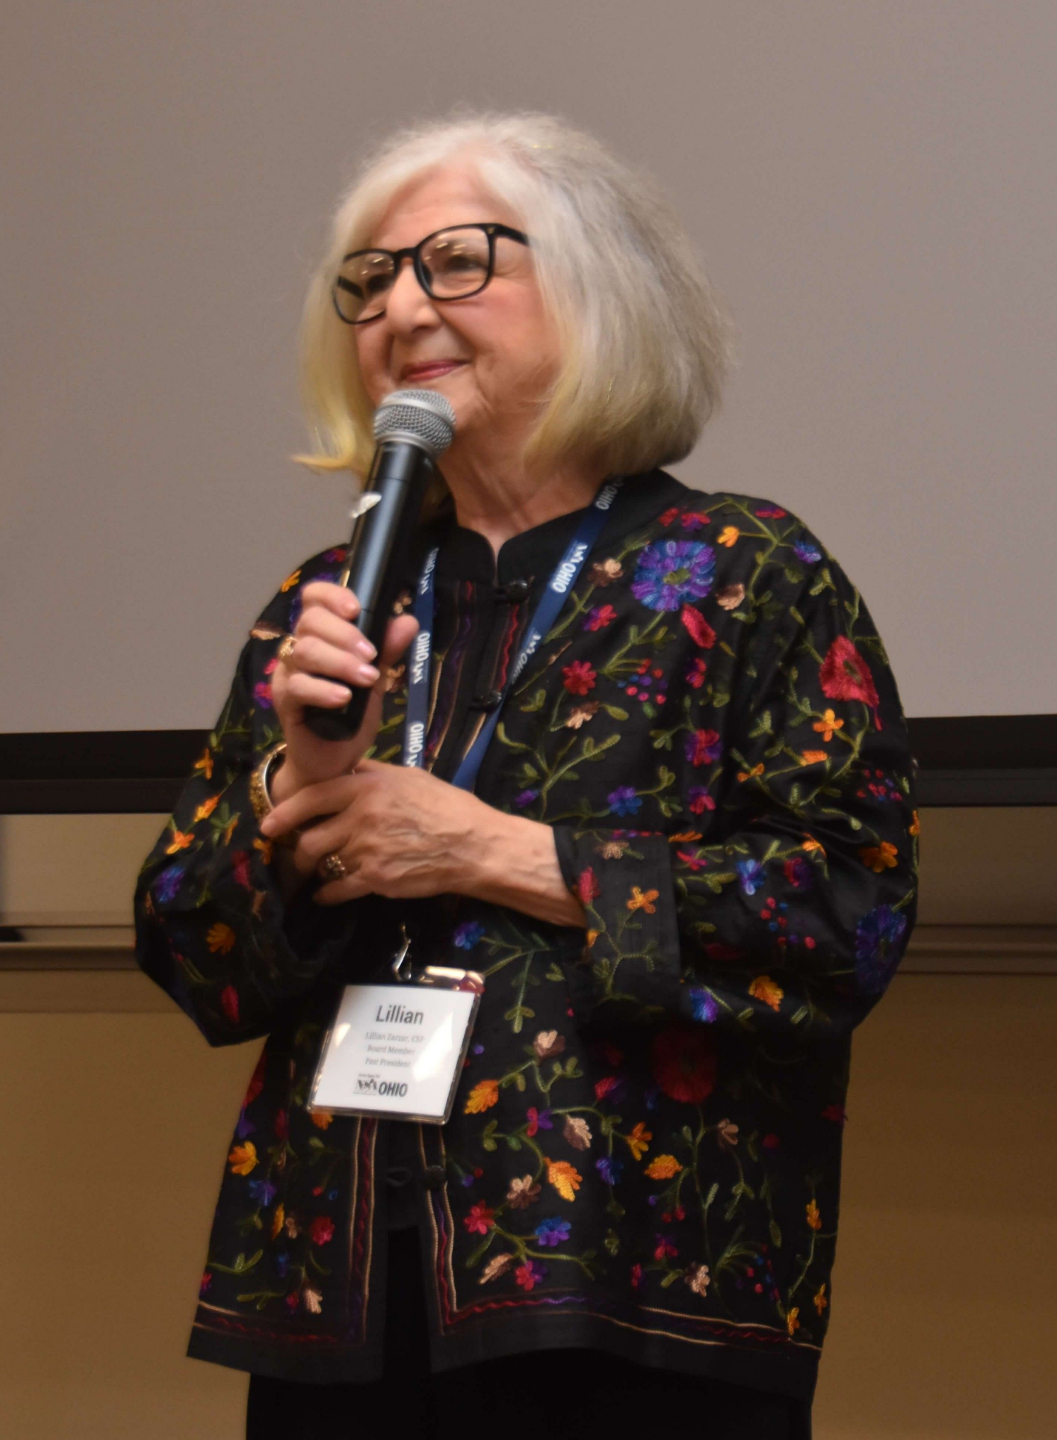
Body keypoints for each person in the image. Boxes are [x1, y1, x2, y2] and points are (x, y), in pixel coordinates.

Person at [134, 112, 918, 1440]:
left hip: (635, 1292)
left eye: (457, 260)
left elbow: (846, 914)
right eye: (371, 279)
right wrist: (297, 786)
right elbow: (188, 948)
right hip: (342, 1293)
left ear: (599, 288)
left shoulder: (747, 572)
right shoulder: (327, 601)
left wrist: (496, 853)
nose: (401, 308)